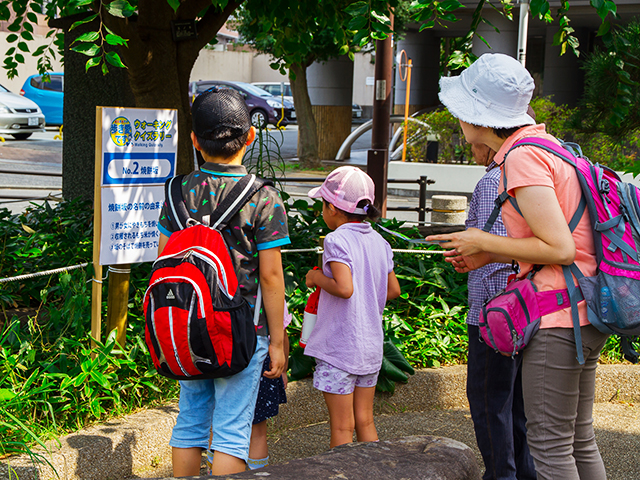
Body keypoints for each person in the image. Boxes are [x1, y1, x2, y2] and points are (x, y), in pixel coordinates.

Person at [428, 53, 609, 480]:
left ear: (479, 117)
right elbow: (566, 240)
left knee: (549, 448)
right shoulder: (550, 147)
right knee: (578, 440)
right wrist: (492, 254)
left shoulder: (521, 158)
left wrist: (482, 240)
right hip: (584, 306)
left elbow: (560, 248)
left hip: (558, 314)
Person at [157, 87, 290, 476]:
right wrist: (278, 342)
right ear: (250, 137)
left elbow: (165, 260)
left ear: (195, 140)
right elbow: (270, 274)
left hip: (186, 325)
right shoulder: (263, 197)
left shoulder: (176, 191)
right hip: (243, 331)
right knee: (232, 429)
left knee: (190, 422)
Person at [303, 166, 402, 448]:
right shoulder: (380, 242)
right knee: (366, 421)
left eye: (322, 205)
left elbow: (345, 289)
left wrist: (316, 278)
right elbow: (393, 290)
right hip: (370, 346)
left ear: (333, 208)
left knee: (342, 427)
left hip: (340, 348)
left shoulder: (336, 240)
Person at [465, 142, 537, 480]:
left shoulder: (494, 180)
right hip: (529, 311)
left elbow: (496, 254)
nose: (469, 145)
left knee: (489, 403)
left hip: (496, 317)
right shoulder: (534, 174)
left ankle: (501, 476)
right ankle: (524, 474)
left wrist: (472, 256)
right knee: (516, 407)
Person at [246, 308, 291, 470]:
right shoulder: (268, 287)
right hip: (262, 360)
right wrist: (283, 369)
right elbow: (282, 334)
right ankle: (258, 474)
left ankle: (213, 472)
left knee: (217, 428)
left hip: (223, 357)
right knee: (257, 432)